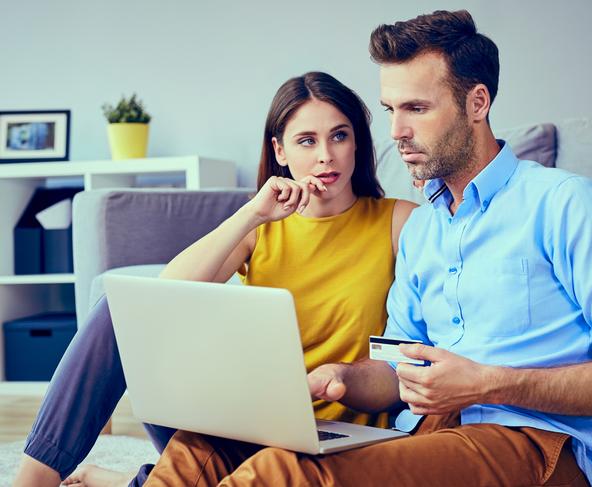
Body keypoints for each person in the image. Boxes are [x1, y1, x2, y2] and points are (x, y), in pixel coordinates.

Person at [142, 10, 592, 487]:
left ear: (478, 103)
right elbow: (393, 364)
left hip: (536, 445)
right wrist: (341, 377)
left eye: (416, 109)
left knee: (285, 472)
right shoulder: (425, 228)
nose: (395, 132)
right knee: (202, 448)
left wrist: (490, 384)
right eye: (390, 109)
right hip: (426, 433)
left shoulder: (565, 203)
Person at [12, 71, 417, 487]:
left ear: (357, 143)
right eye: (306, 140)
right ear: (279, 150)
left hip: (341, 436)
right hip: (245, 426)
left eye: (339, 136)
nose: (326, 156)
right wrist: (251, 214)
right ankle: (36, 477)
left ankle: (135, 481)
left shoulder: (398, 222)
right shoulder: (262, 225)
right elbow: (159, 300)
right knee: (120, 308)